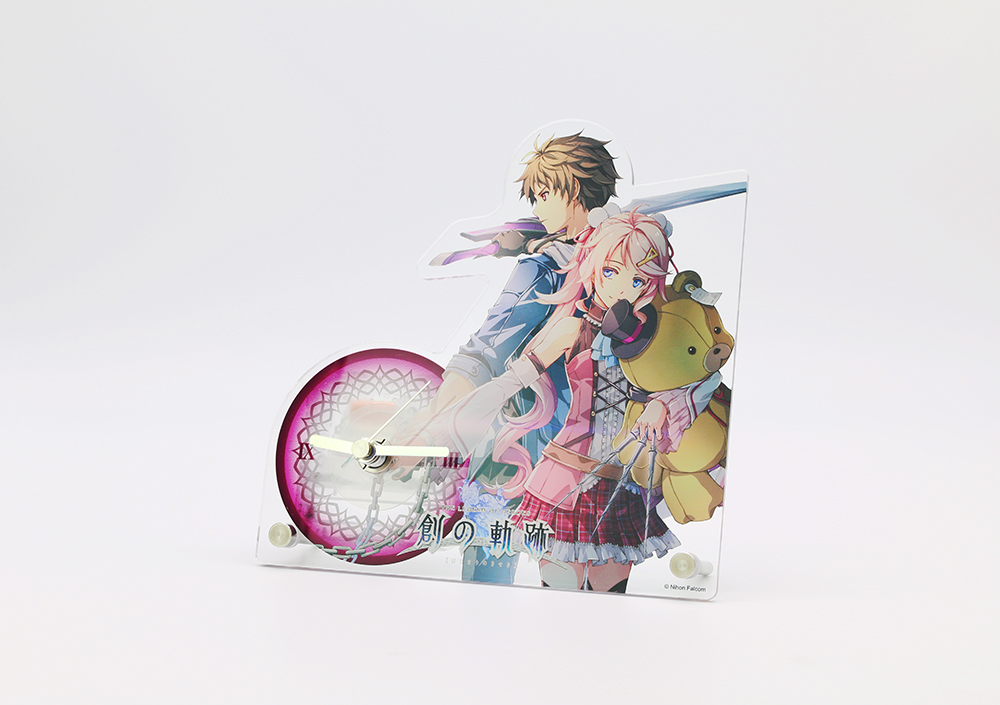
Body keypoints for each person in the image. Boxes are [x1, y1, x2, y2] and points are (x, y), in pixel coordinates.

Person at [439, 210, 698, 593]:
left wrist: (664, 402)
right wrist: (450, 423)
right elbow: (511, 381)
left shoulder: (657, 338)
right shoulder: (571, 328)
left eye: (638, 280)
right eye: (610, 272)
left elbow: (696, 383)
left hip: (624, 483)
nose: (622, 289)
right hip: (564, 477)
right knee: (559, 592)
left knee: (610, 596)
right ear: (592, 268)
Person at [429, 133, 620, 583]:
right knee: (575, 582)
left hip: (525, 440)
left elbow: (487, 348)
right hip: (593, 443)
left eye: (544, 194)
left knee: (492, 573)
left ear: (574, 189)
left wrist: (442, 416)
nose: (537, 208)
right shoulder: (623, 260)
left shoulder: (545, 266)